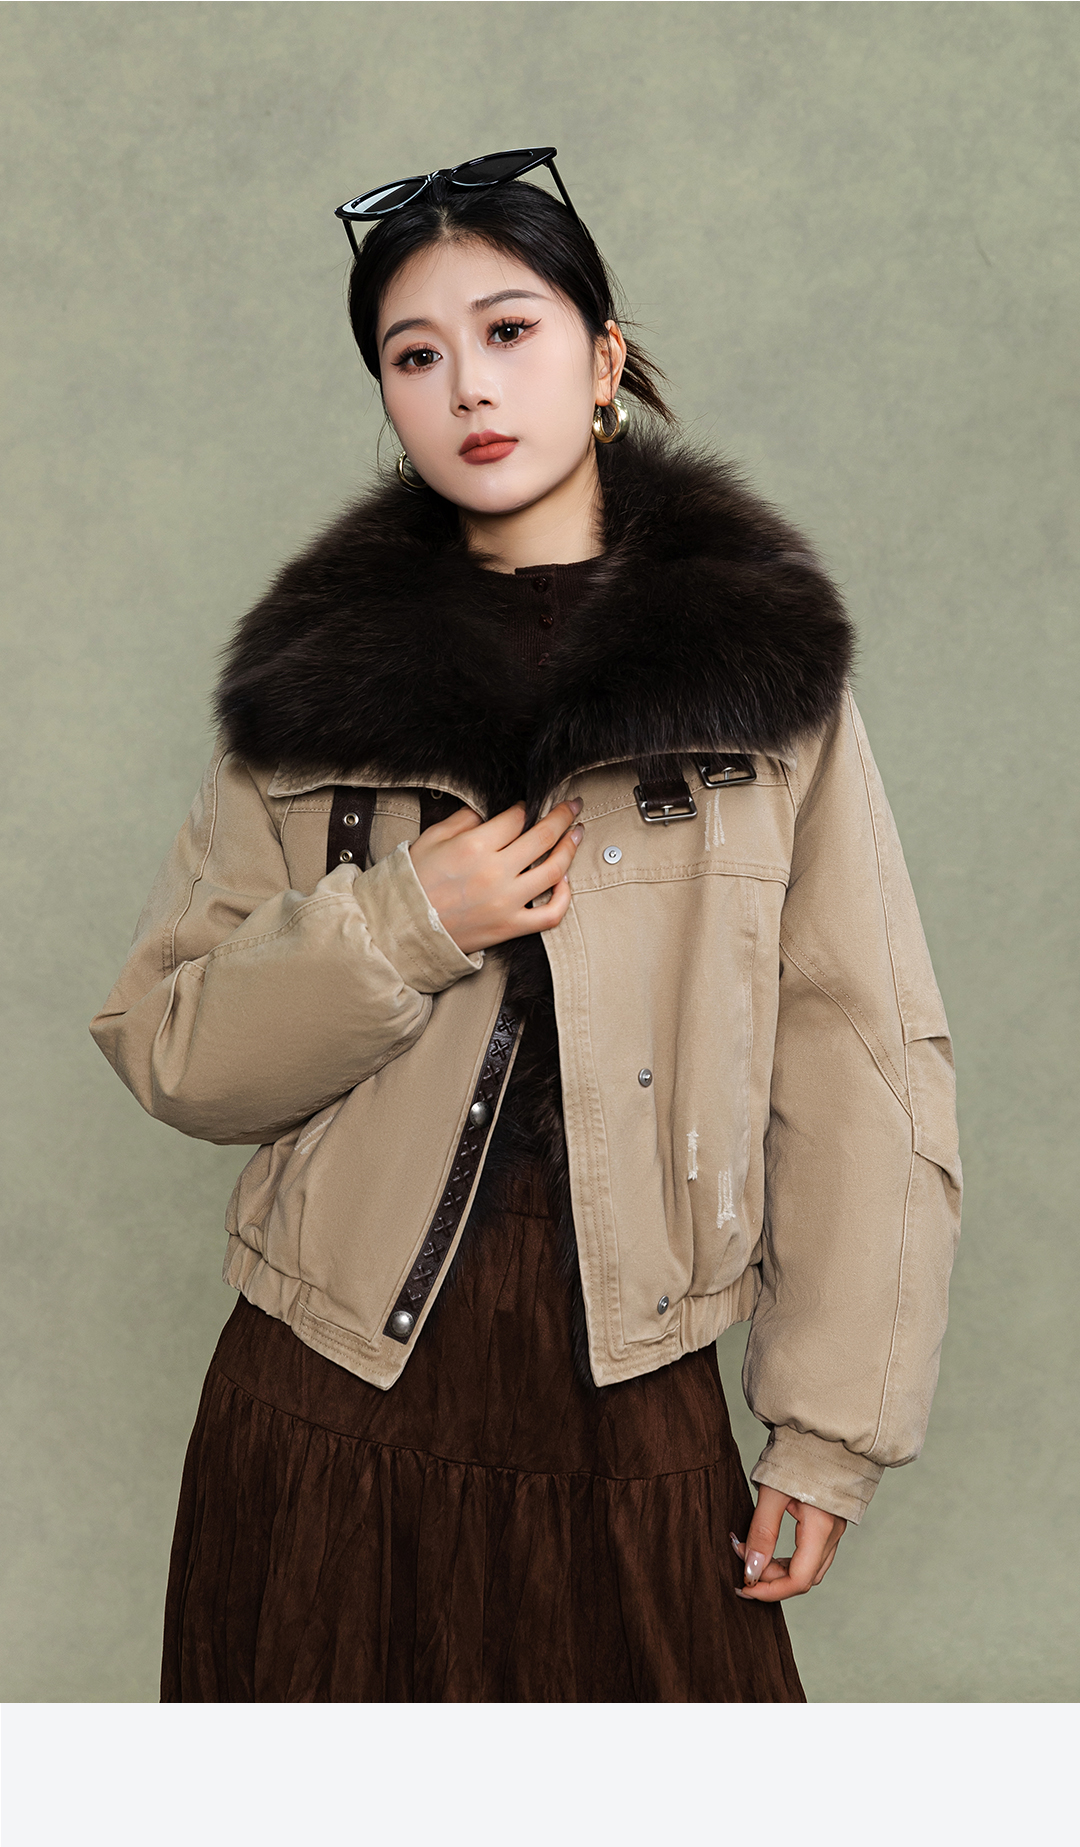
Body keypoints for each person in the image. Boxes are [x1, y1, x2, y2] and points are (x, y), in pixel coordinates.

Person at [91, 148, 961, 1703]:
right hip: (323, 1407)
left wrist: (830, 1433)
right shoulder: (306, 687)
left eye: (509, 332)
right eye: (414, 355)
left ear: (603, 358)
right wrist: (406, 923)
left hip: (633, 1401)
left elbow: (861, 1055)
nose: (469, 388)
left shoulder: (759, 676)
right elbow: (175, 1049)